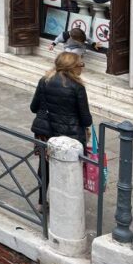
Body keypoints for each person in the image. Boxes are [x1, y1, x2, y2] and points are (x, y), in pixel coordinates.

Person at [29, 52, 93, 207]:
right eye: (81, 65)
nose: (82, 68)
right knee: (70, 168)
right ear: (73, 67)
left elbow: (33, 107)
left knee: (44, 167)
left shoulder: (44, 80)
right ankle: (66, 204)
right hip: (69, 136)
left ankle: (41, 201)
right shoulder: (77, 87)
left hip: (44, 132)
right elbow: (86, 119)